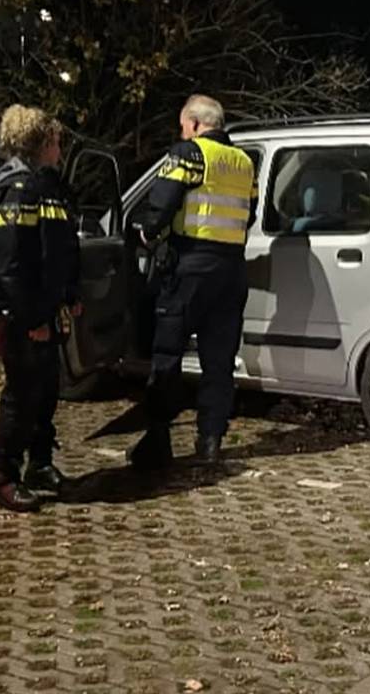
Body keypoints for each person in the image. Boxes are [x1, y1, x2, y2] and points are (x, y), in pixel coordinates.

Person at [127, 94, 256, 469]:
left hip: (189, 267)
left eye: (184, 125)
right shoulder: (244, 162)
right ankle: (210, 440)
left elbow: (161, 203)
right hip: (231, 271)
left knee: (167, 356)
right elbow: (249, 214)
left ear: (197, 124)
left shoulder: (189, 153)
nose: (182, 132)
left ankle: (157, 441)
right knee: (219, 362)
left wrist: (149, 234)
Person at [0, 104, 80, 512]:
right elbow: (12, 264)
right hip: (21, 315)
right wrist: (32, 319)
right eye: (54, 141)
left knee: (47, 390)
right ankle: (5, 479)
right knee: (21, 394)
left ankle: (40, 463)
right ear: (37, 142)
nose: (59, 148)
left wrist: (69, 295)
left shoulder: (44, 186)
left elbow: (56, 249)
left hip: (44, 309)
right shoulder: (15, 190)